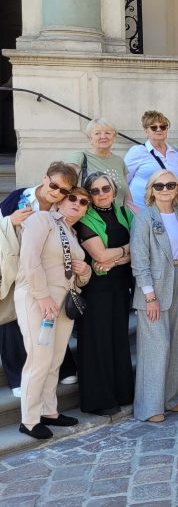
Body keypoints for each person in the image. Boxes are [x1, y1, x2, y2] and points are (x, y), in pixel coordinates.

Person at [15, 187, 92, 439]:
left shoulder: (72, 233)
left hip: (62, 301)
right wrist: (42, 295)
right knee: (39, 359)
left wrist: (85, 271)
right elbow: (29, 258)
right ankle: (29, 420)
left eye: (84, 202)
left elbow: (78, 278)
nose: (77, 204)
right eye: (73, 198)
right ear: (60, 201)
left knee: (55, 359)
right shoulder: (42, 219)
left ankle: (49, 411)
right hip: (38, 298)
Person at [0, 162, 81, 396]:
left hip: (47, 270)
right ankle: (16, 378)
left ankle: (64, 367)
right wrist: (10, 221)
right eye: (54, 186)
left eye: (64, 190)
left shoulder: (61, 205)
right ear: (45, 178)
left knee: (51, 316)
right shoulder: (19, 197)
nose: (57, 193)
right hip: (15, 268)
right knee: (10, 320)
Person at [131, 170, 178, 423]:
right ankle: (149, 406)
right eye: (159, 185)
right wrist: (149, 296)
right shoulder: (144, 217)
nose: (165, 189)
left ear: (177, 189)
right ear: (151, 190)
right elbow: (139, 259)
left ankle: (171, 398)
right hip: (154, 286)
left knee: (177, 342)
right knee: (156, 347)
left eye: (170, 185)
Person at [73, 172, 134, 415]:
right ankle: (99, 400)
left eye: (105, 188)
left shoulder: (124, 213)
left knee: (118, 339)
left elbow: (139, 248)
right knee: (97, 342)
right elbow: (99, 255)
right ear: (89, 195)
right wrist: (126, 251)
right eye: (95, 191)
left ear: (113, 190)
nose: (102, 194)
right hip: (95, 290)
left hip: (120, 286)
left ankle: (122, 393)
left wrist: (116, 259)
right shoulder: (85, 218)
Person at [65, 118, 130, 205]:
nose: (103, 136)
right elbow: (63, 187)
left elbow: (127, 194)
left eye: (108, 133)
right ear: (90, 139)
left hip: (118, 213)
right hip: (88, 212)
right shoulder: (78, 157)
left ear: (114, 137)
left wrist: (131, 211)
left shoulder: (119, 161)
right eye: (97, 133)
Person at [125, 110, 178, 207]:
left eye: (163, 127)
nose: (159, 130)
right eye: (154, 127)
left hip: (167, 209)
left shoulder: (174, 154)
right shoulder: (137, 151)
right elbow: (123, 181)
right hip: (140, 209)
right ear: (146, 131)